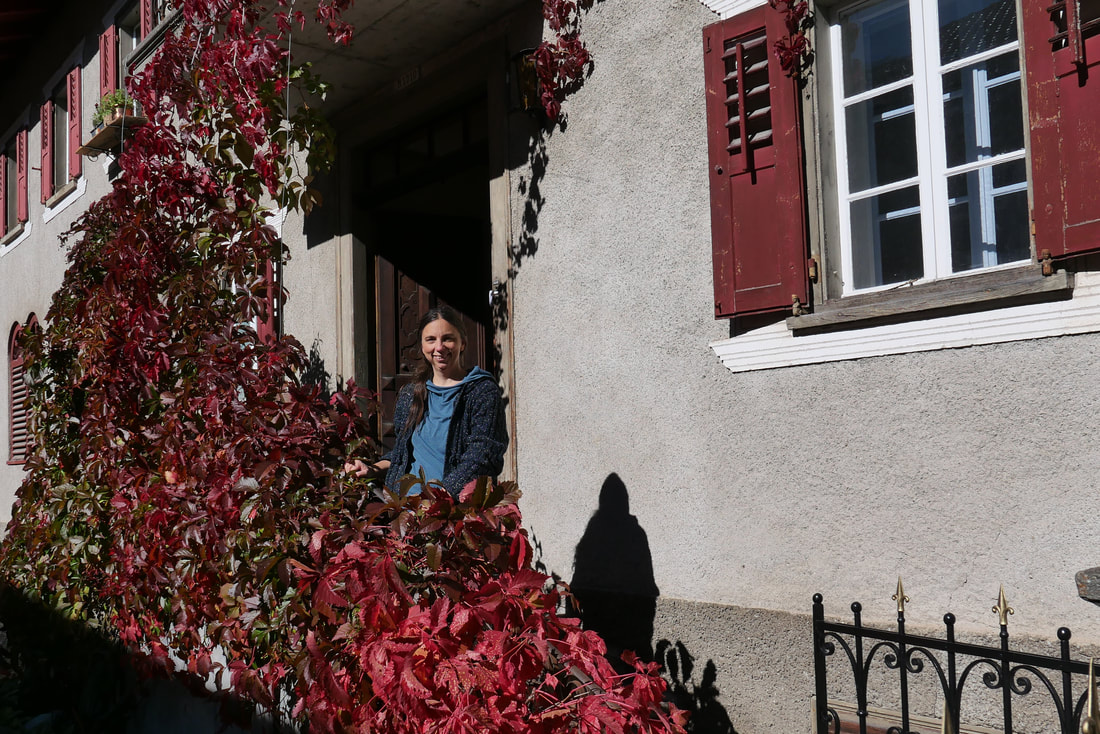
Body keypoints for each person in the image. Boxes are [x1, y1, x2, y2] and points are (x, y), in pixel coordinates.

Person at [345, 306, 508, 499]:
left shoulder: (481, 392)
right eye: (431, 340)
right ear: (422, 346)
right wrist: (371, 469)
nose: (439, 347)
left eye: (447, 338)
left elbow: (483, 456)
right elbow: (402, 454)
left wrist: (439, 498)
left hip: (455, 515)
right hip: (408, 511)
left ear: (462, 343)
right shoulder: (410, 394)